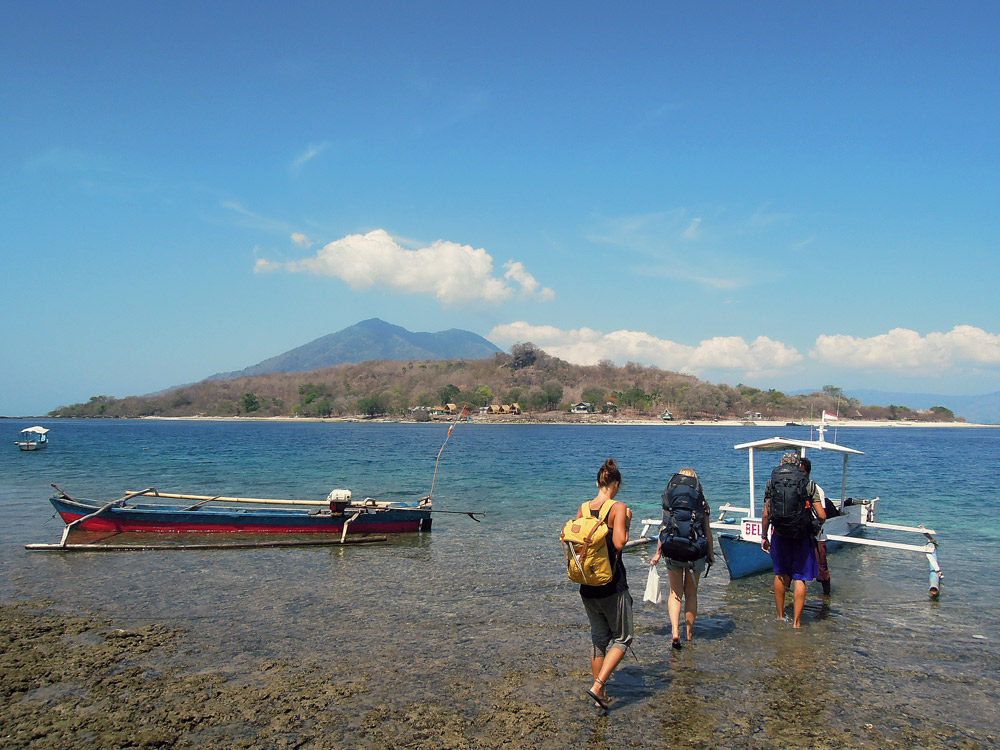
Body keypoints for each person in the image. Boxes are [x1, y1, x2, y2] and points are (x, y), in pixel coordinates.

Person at [578, 458, 633, 713]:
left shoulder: (583, 509)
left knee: (599, 639)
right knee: (623, 638)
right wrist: (627, 523)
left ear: (599, 482)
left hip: (587, 584)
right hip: (612, 584)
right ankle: (598, 686)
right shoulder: (618, 507)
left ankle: (602, 695)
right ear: (616, 484)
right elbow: (620, 543)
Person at [649, 468, 714, 648]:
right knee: (691, 593)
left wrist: (658, 552)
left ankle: (675, 633)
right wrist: (711, 553)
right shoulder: (701, 502)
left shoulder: (670, 499)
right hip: (695, 551)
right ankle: (690, 635)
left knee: (675, 593)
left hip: (673, 548)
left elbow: (664, 527)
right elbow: (707, 530)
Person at [760, 452, 826, 628]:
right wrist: (815, 525)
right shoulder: (808, 484)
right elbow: (822, 515)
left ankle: (780, 616)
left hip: (780, 534)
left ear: (781, 464)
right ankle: (797, 623)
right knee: (800, 578)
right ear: (798, 466)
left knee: (780, 574)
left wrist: (764, 536)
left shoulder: (771, 483)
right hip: (801, 535)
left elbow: (766, 514)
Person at [799, 456, 832, 597]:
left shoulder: (816, 489)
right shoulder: (795, 487)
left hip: (817, 535)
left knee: (821, 568)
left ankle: (826, 596)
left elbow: (821, 515)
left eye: (801, 472)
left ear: (808, 472)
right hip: (801, 534)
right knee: (797, 566)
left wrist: (814, 528)